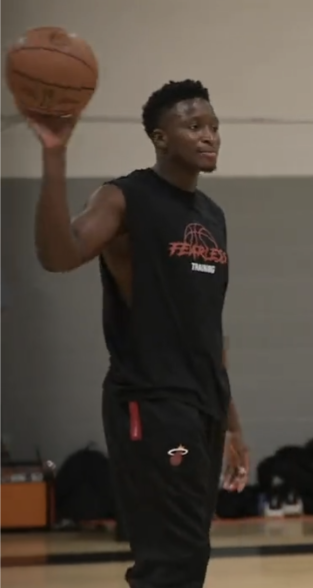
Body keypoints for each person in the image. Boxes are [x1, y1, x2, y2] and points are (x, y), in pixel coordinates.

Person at [29, 80, 249, 587]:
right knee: (173, 560)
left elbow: (208, 329)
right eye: (194, 126)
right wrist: (54, 154)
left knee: (186, 556)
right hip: (151, 402)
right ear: (160, 137)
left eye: (214, 126)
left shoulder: (212, 215)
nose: (209, 136)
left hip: (203, 405)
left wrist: (232, 423)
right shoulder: (124, 197)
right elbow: (58, 255)